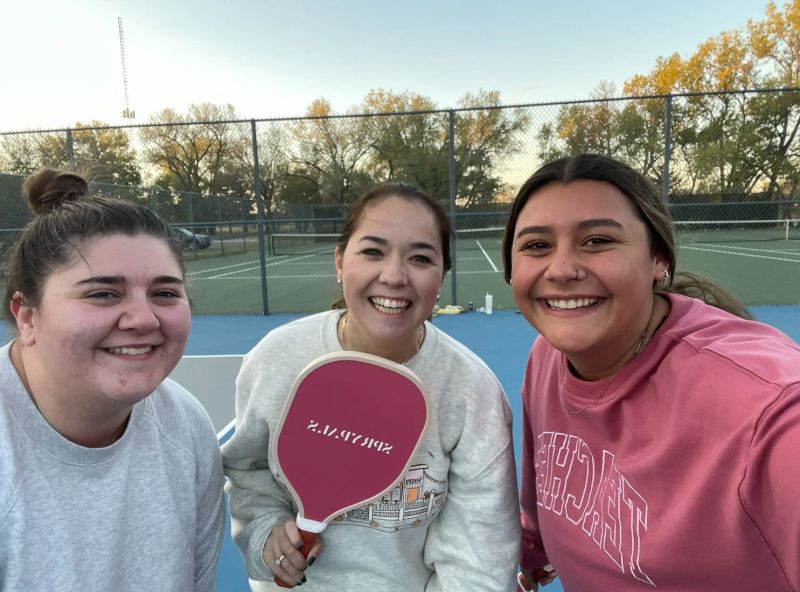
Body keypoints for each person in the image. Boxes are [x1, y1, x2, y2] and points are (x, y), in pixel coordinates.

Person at [502, 154, 800, 592]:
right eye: (537, 246)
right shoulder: (546, 357)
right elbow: (543, 522)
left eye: (598, 240)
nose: (562, 270)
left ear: (658, 259)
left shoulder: (766, 410)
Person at [222, 182, 520, 591]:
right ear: (340, 262)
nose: (395, 276)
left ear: (442, 275)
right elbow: (249, 471)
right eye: (373, 252)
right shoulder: (275, 360)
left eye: (420, 257)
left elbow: (479, 554)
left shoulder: (472, 391)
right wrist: (266, 533)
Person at [0, 169, 225, 591]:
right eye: (103, 293)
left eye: (164, 293)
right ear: (27, 316)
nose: (144, 319)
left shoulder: (187, 428)